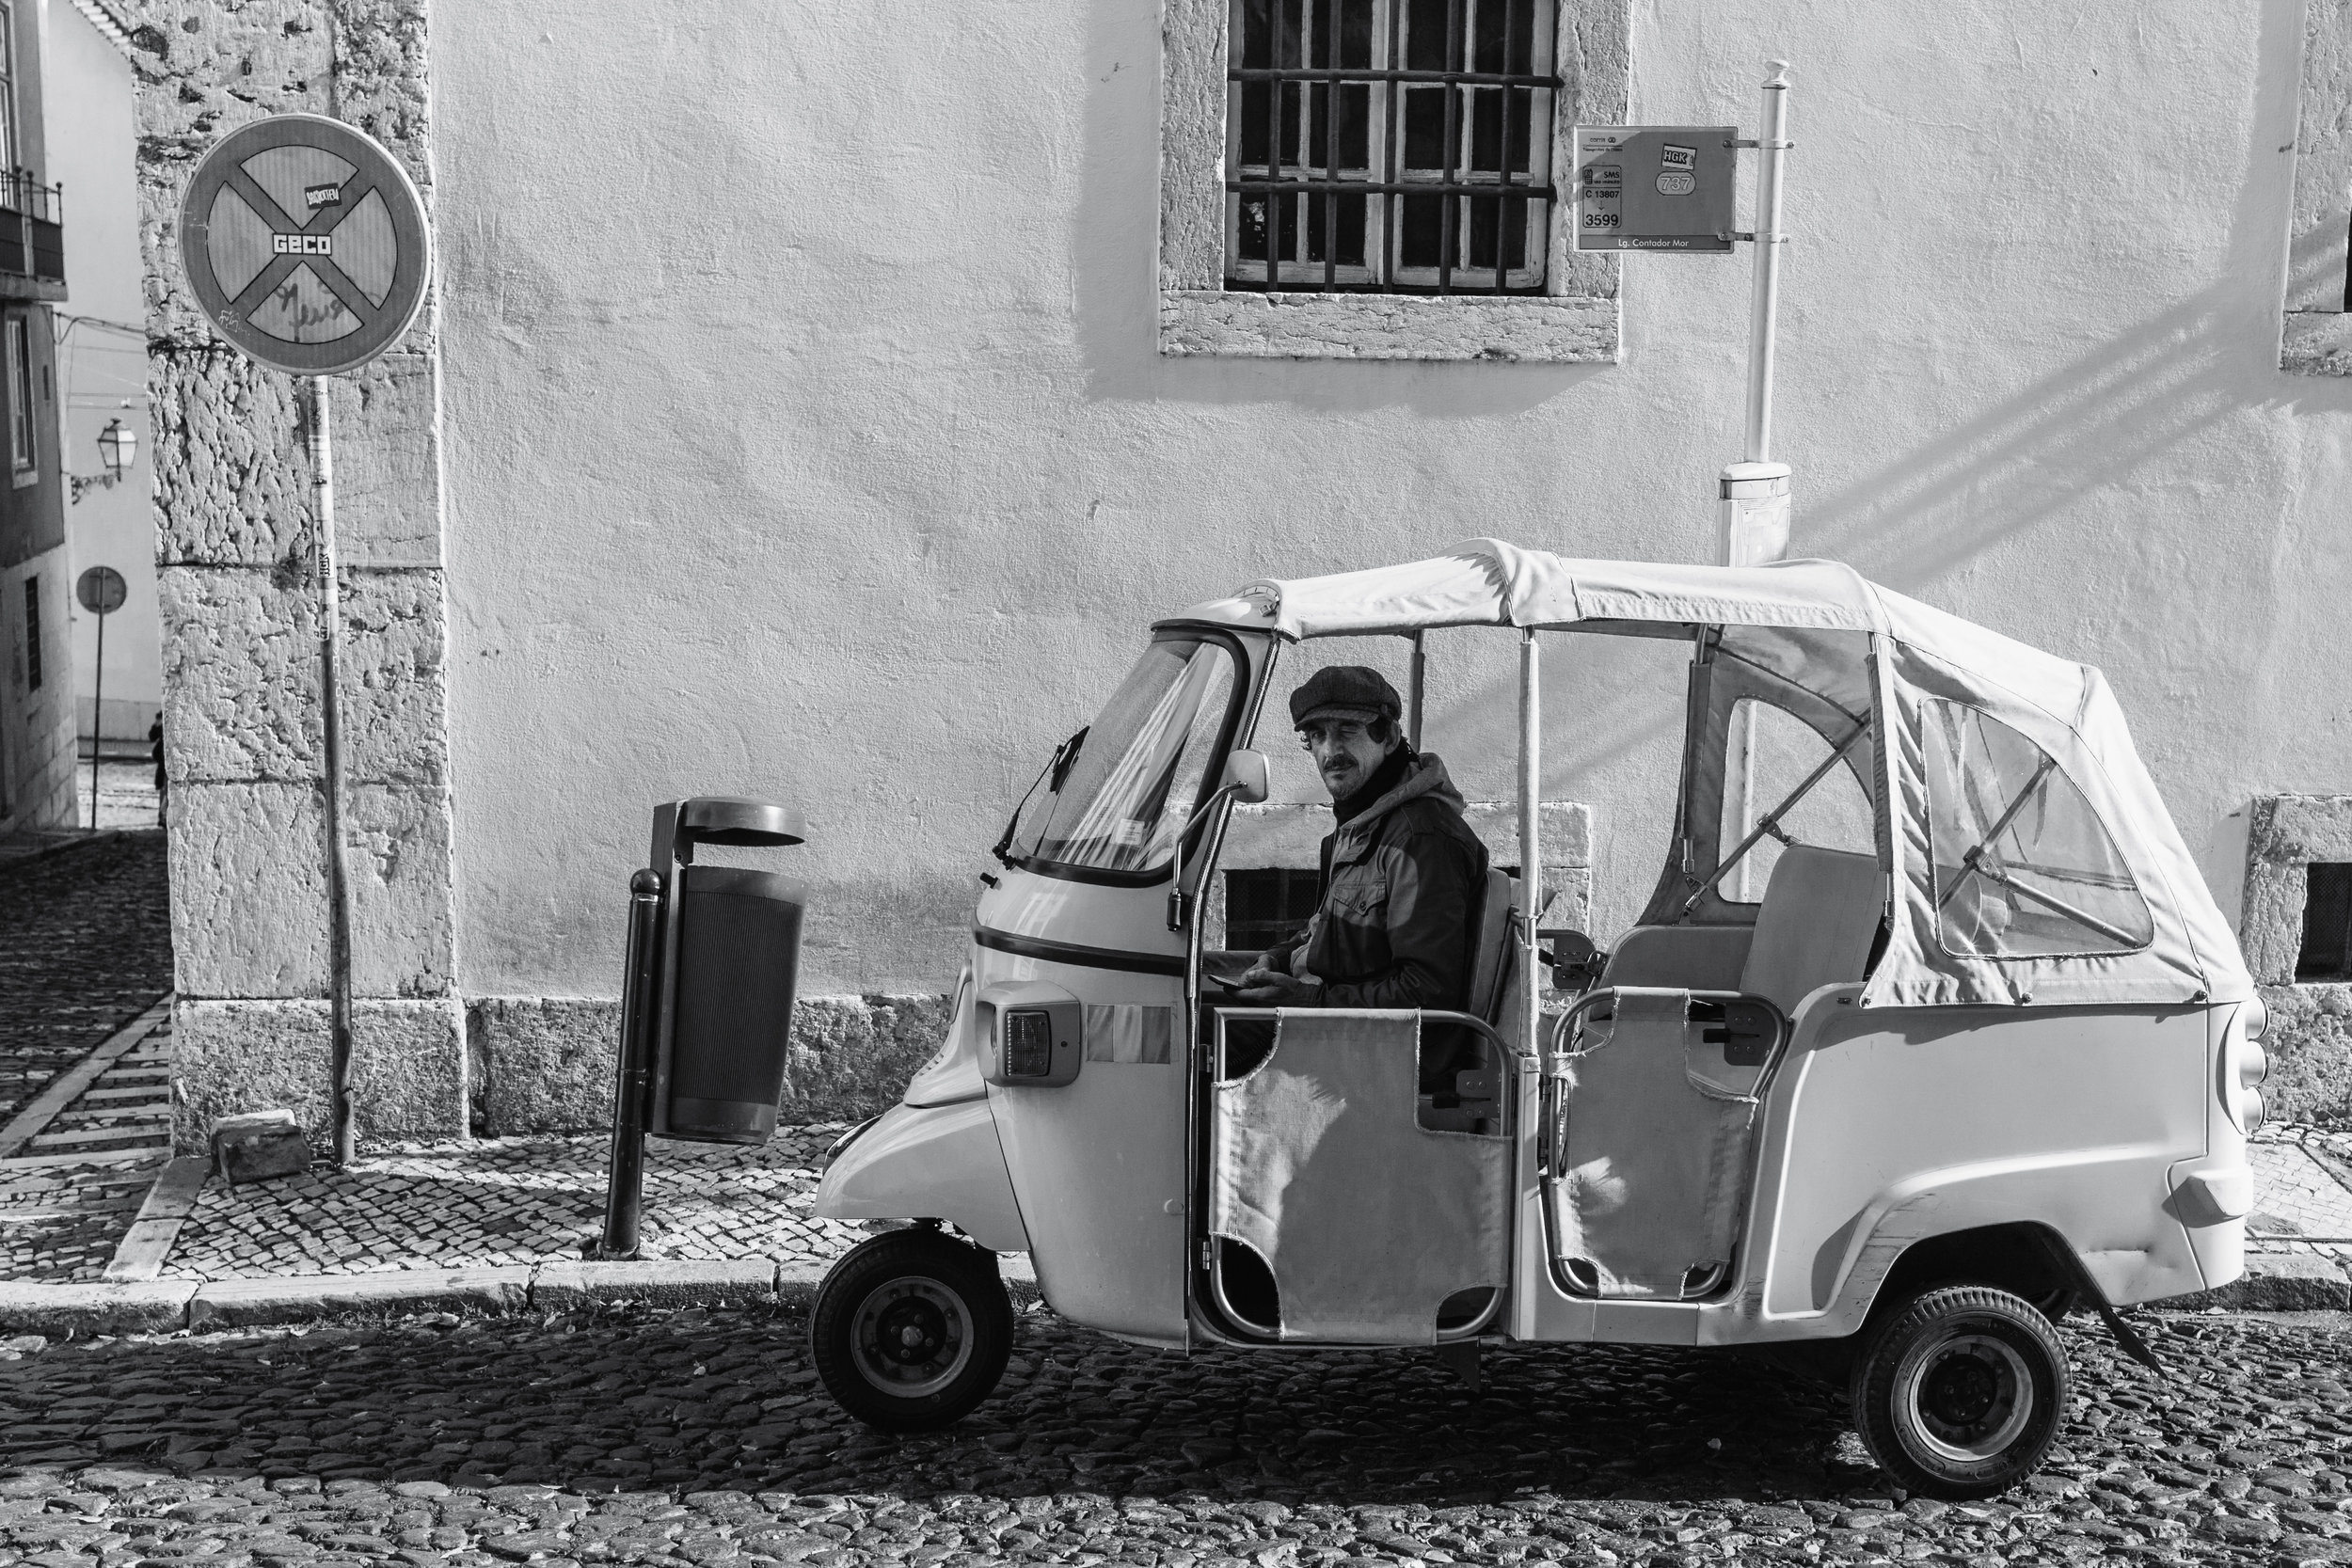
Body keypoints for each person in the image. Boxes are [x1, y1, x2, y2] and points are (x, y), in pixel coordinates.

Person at [1229, 666, 1490, 1092]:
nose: (1331, 750)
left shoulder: (1419, 840)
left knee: (1186, 1033)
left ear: (1387, 737)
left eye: (1348, 730)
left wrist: (1307, 1001)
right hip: (1335, 1029)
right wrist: (1274, 960)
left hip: (1382, 1059)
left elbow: (1427, 993)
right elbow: (1324, 930)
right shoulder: (1361, 827)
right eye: (1316, 735)